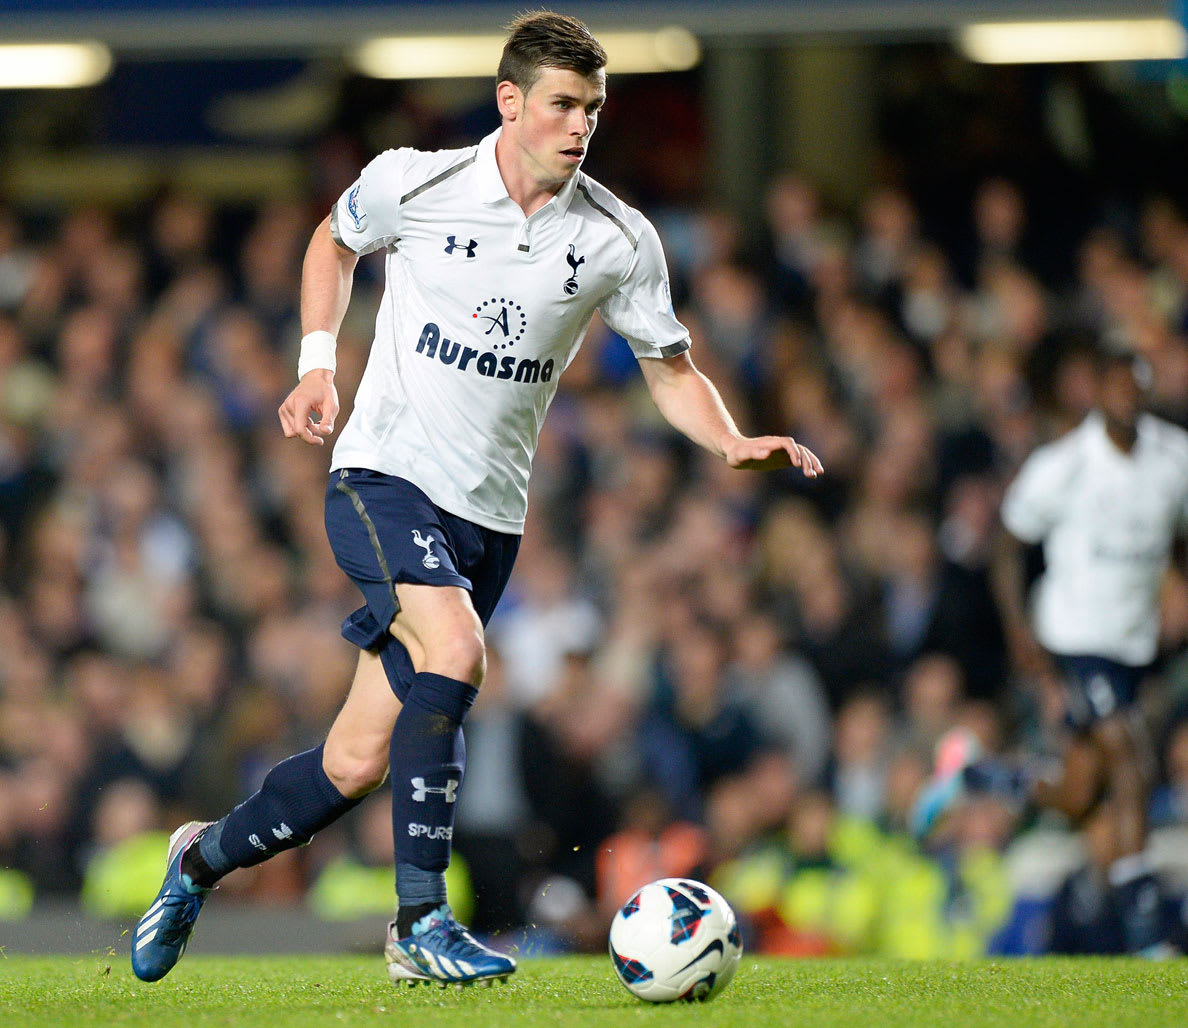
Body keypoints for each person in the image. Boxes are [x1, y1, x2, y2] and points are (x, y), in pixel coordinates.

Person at [131, 11, 823, 987]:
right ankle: (419, 921)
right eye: (563, 104)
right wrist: (318, 364)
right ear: (511, 103)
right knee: (456, 651)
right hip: (378, 475)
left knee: (353, 760)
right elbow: (331, 244)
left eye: (594, 106)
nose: (582, 124)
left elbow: (671, 368)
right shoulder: (417, 181)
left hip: (486, 522)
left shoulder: (619, 239)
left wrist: (731, 437)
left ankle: (194, 860)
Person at [976, 348, 1188, 955]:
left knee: (1079, 794)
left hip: (1135, 642)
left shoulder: (1173, 457)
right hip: (1074, 640)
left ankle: (981, 774)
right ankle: (1145, 926)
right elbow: (1007, 546)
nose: (1125, 399)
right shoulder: (1064, 465)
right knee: (1133, 758)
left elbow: (1178, 530)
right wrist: (1021, 632)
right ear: (1096, 393)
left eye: (1134, 389)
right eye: (1114, 388)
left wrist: (1178, 582)